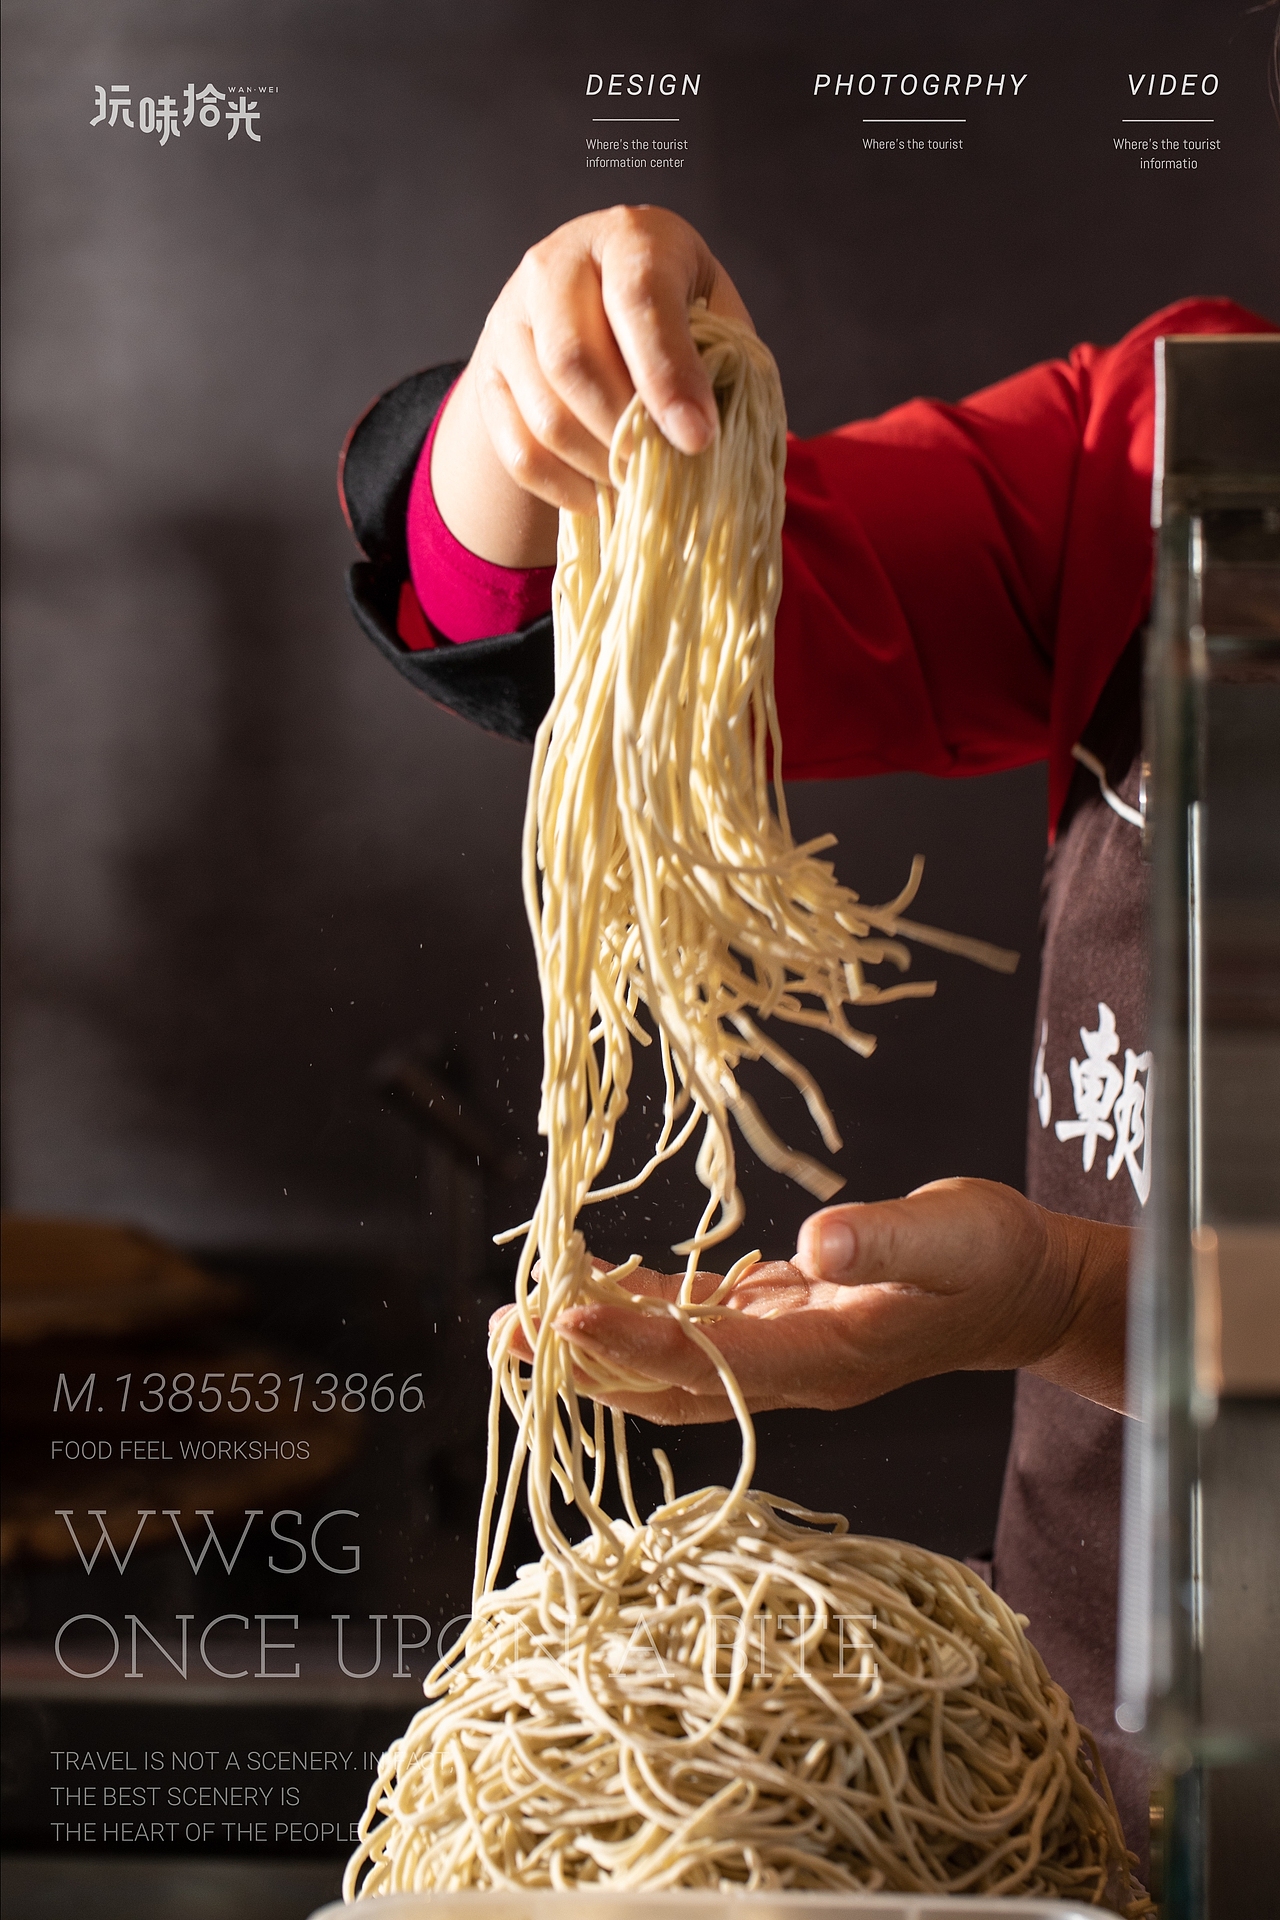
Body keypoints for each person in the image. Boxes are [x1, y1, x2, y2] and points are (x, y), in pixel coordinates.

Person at [338, 205, 1274, 1872]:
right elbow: (594, 617)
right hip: (1069, 1803)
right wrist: (528, 409)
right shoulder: (1173, 444)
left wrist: (1073, 1302)